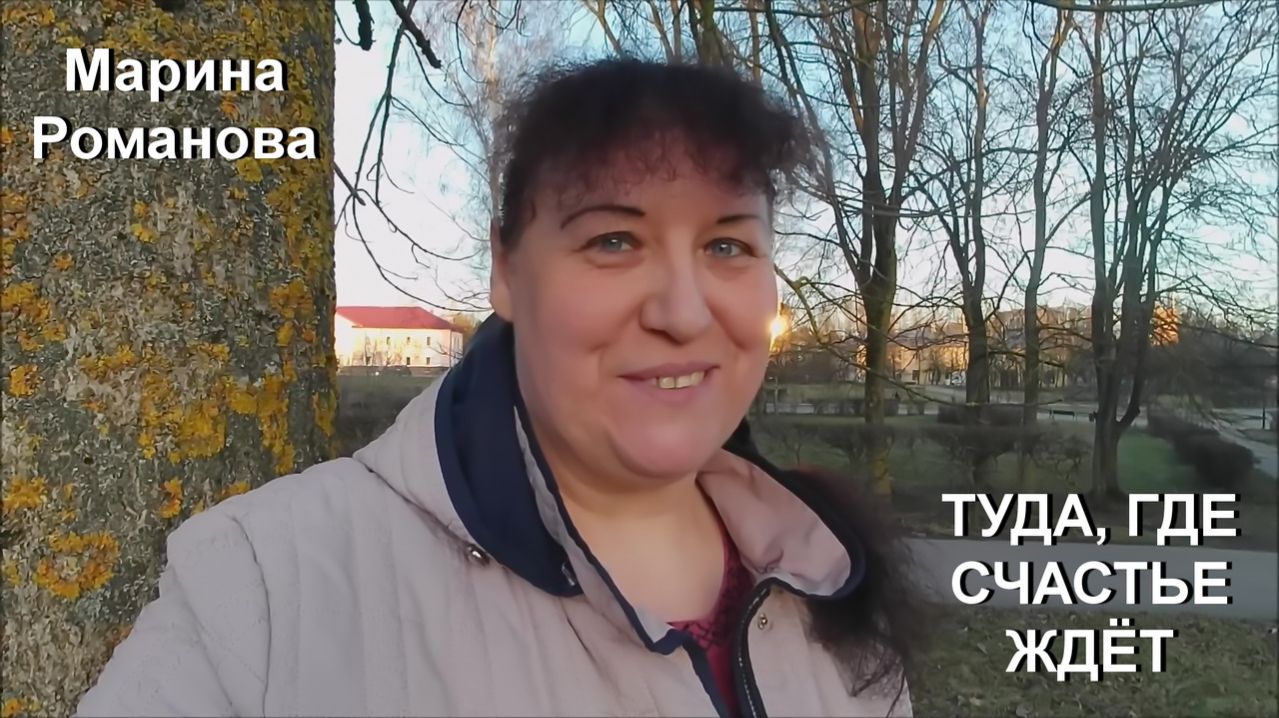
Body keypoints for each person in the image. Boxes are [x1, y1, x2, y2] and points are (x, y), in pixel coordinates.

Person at [77, 58, 920, 718]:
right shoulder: (269, 583)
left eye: (727, 247)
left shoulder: (828, 576)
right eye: (614, 241)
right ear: (506, 272)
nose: (681, 311)